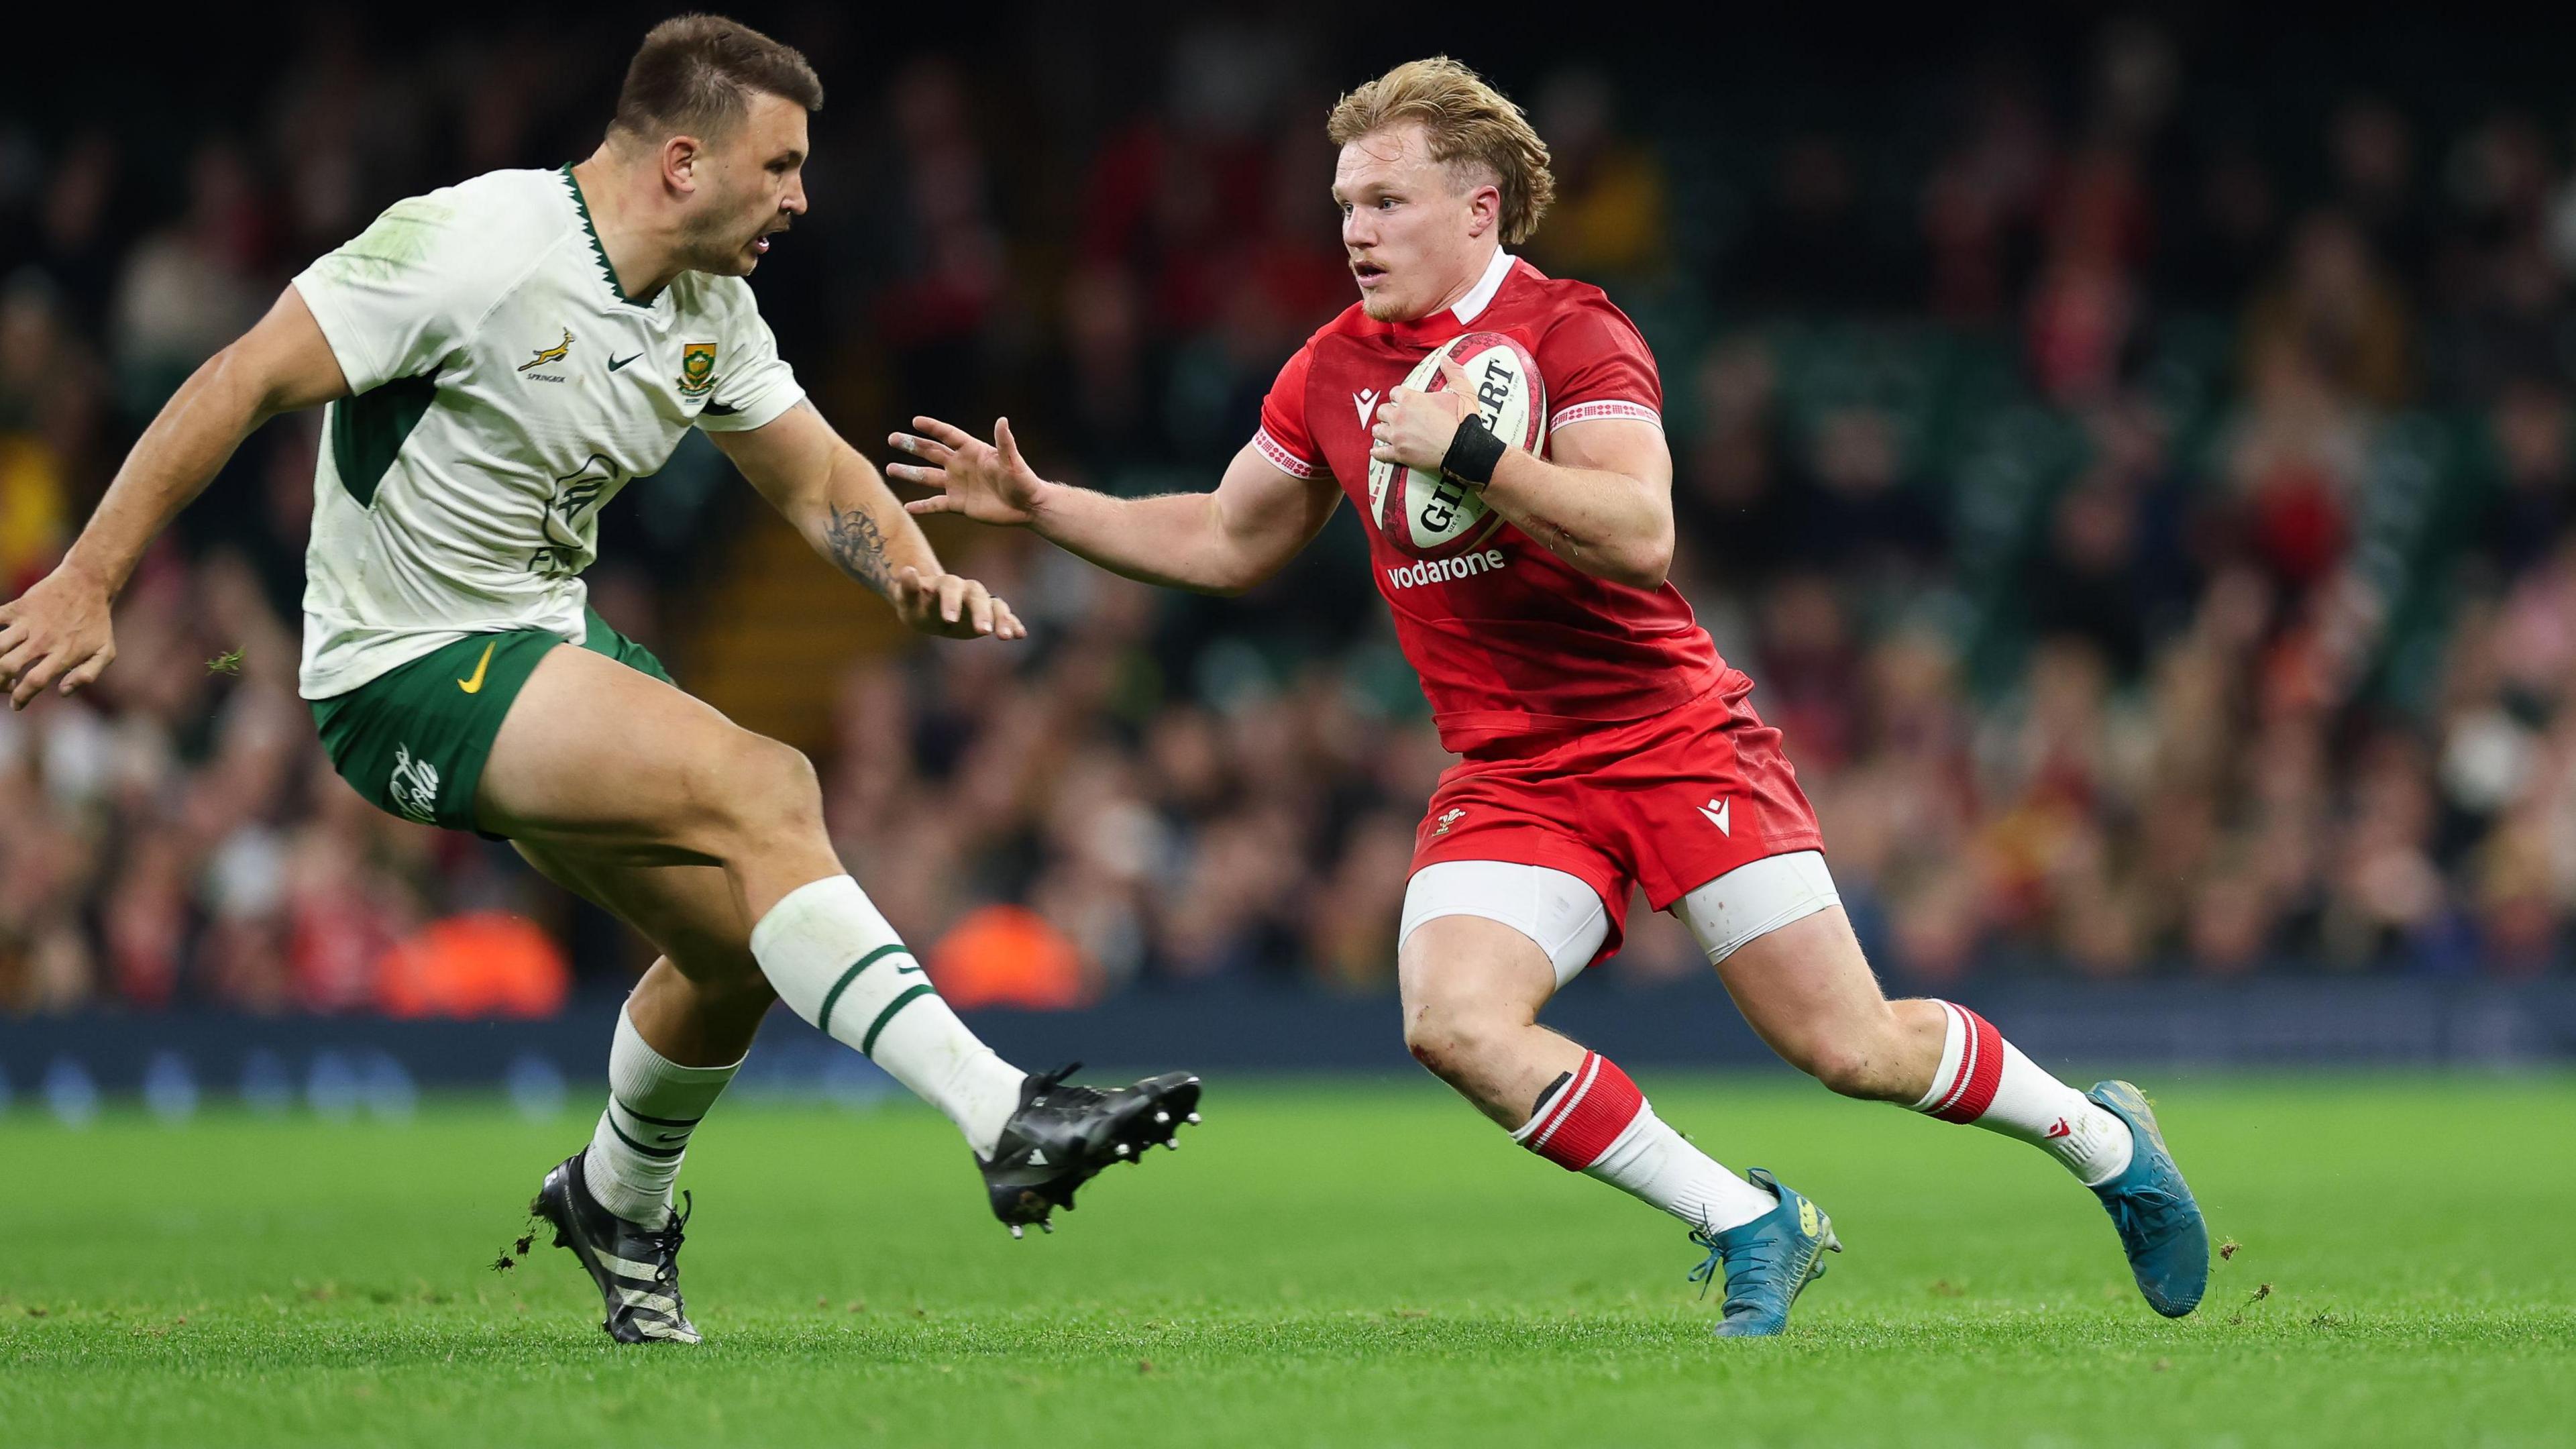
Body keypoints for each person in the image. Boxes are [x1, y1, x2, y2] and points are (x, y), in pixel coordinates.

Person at [890, 56, 2205, 1336]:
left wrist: (1473, 453)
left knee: (1852, 1048)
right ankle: (1749, 1222)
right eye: (1344, 203)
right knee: (1453, 1022)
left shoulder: (1573, 330)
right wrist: (1043, 507)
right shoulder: (1331, 367)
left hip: (1674, 739)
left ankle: (2104, 1142)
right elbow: (1228, 539)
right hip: (1514, 772)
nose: (1354, 229)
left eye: (1386, 200)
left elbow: (1641, 534)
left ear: (1480, 208)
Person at [0, 15, 1199, 1346]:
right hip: (403, 667)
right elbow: (240, 379)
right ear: (683, 162)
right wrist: (89, 576)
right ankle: (1001, 1114)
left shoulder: (709, 309)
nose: (801, 199)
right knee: (768, 786)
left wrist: (911, 575)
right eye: (781, 165)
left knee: (738, 942)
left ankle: (617, 1201)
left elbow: (815, 476)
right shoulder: (470, 245)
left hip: (543, 647)